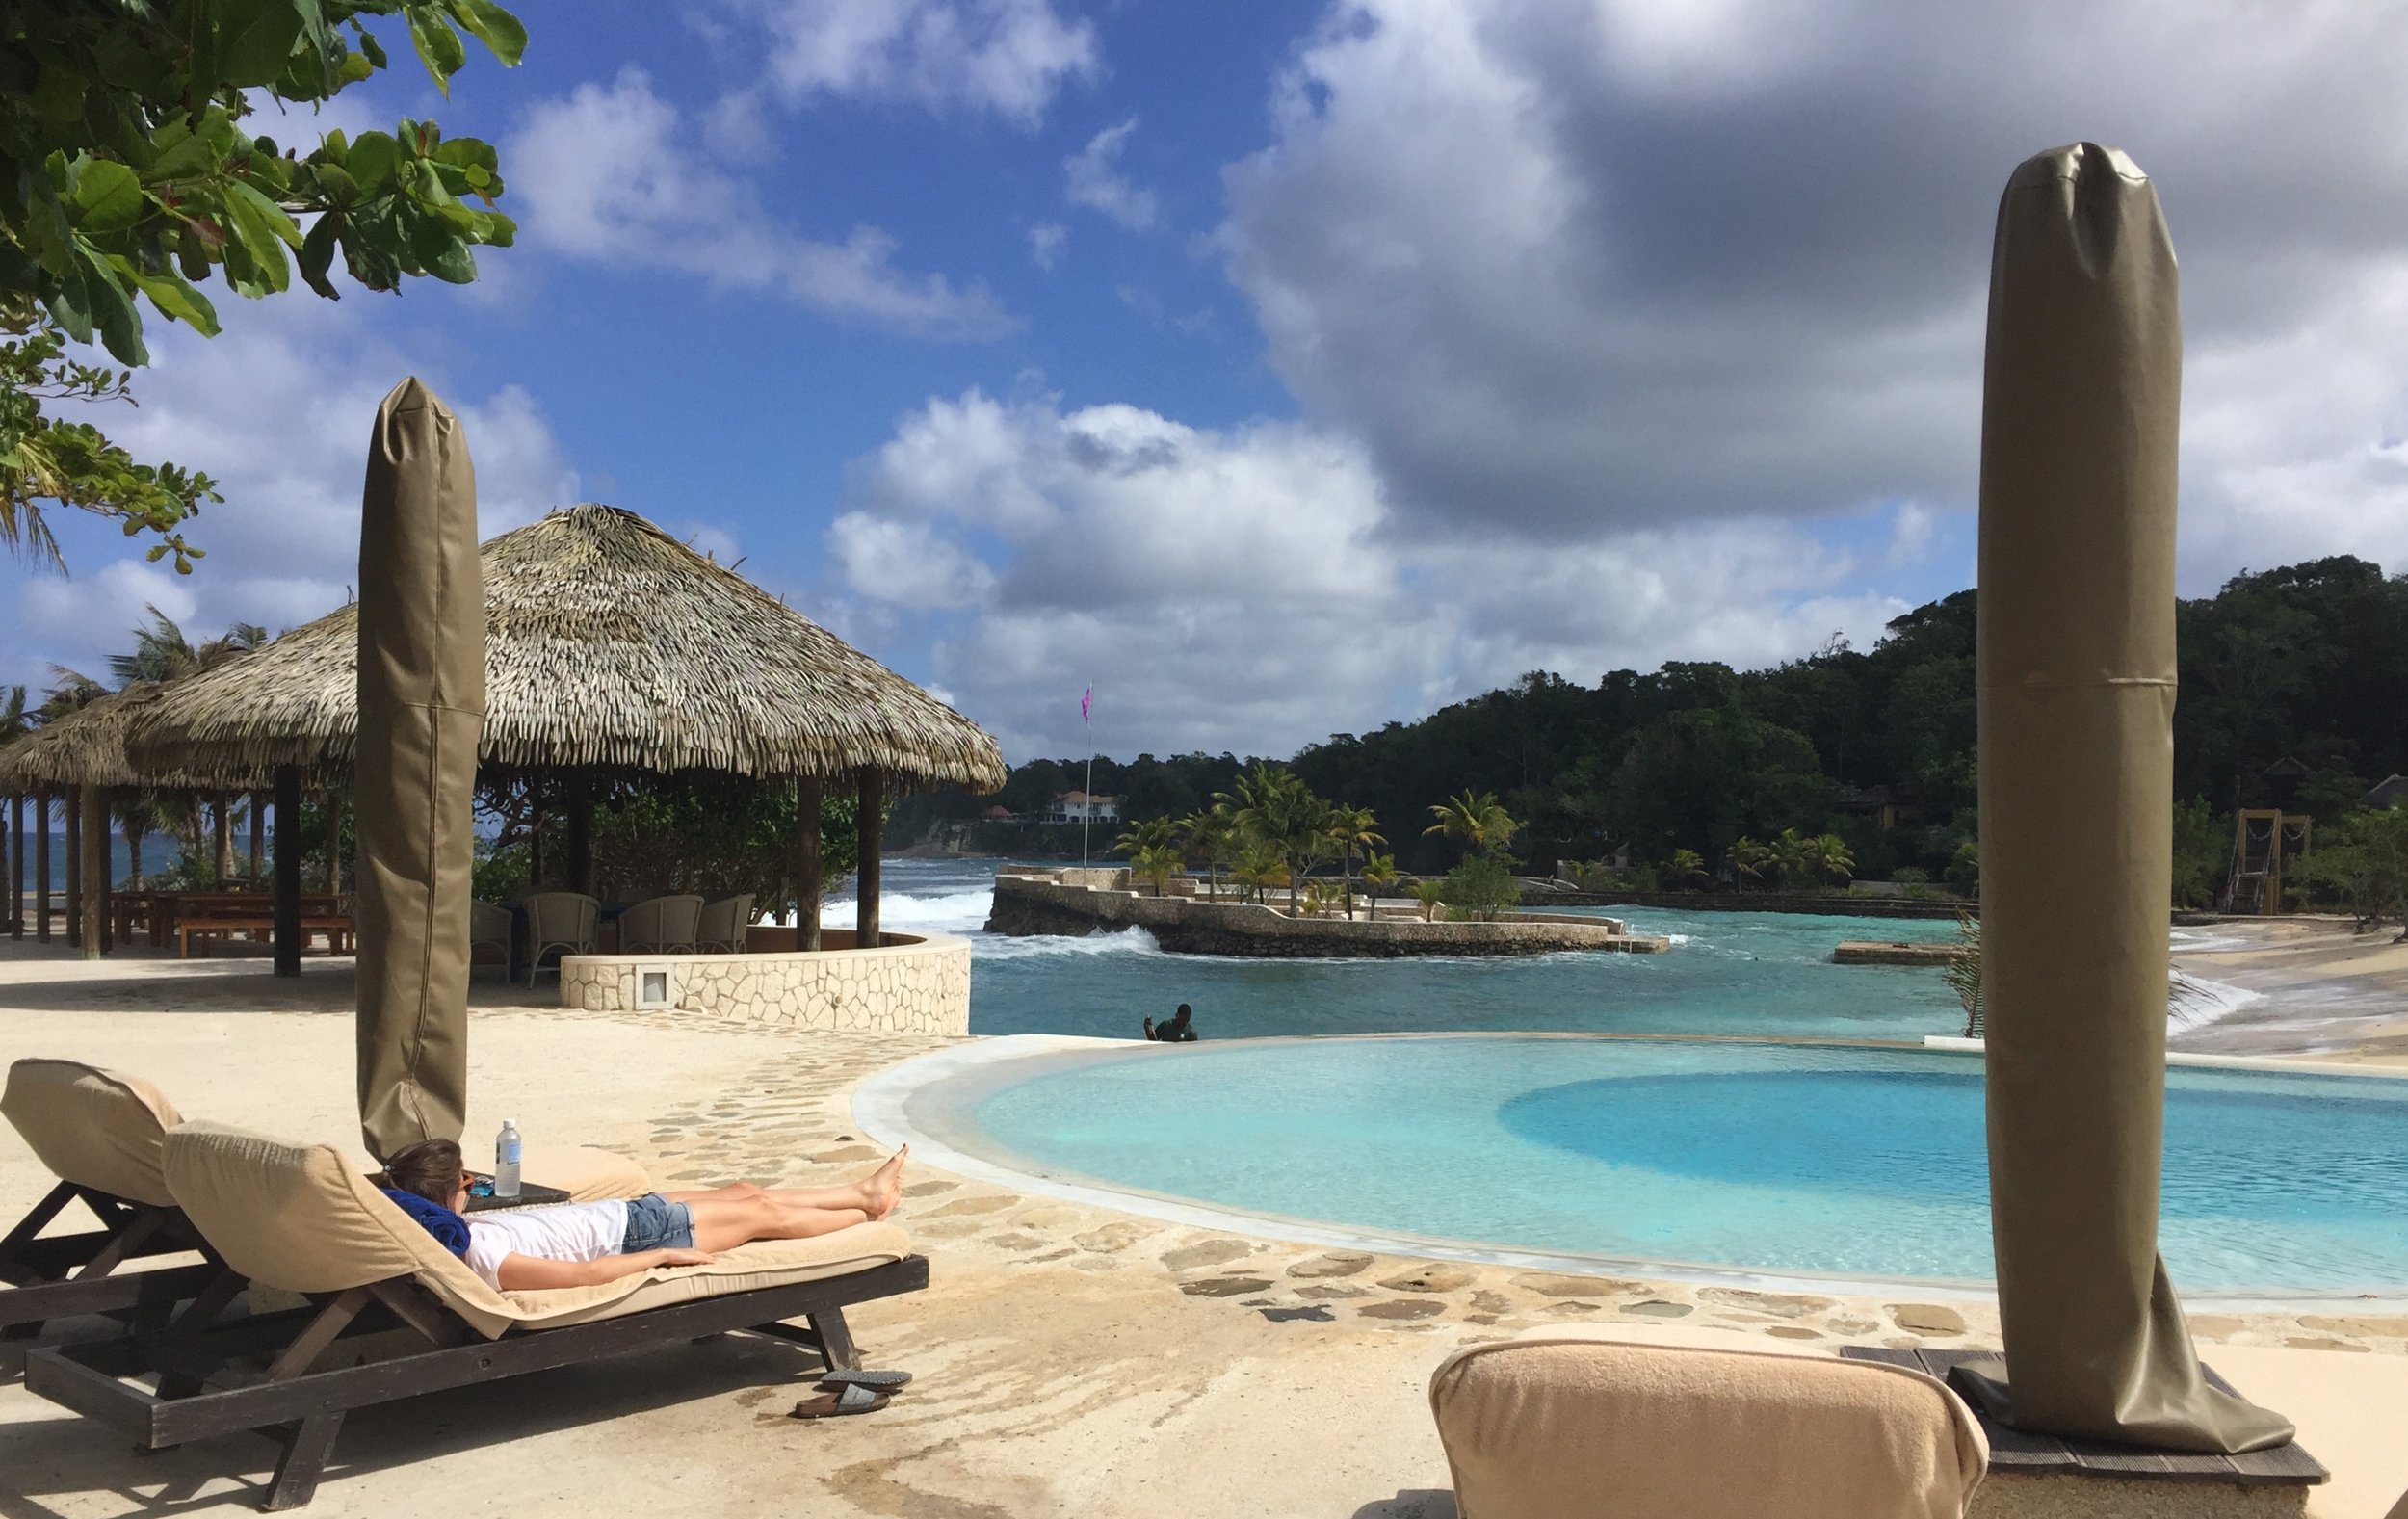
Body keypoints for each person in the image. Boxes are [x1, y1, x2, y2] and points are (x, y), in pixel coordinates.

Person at [379, 1137, 907, 1292]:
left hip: (626, 1214)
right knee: (763, 1212)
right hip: (637, 1237)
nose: (473, 1188)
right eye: (467, 1182)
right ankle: (867, 1213)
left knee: (745, 1190)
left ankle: (860, 1190)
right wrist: (663, 1256)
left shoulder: (456, 1229)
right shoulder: (481, 1255)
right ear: (448, 1194)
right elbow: (584, 1274)